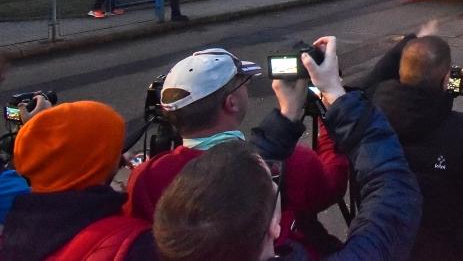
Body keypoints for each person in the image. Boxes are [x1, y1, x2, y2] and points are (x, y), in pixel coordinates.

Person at [152, 36, 422, 261]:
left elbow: (240, 175)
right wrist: (335, 96)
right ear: (274, 227)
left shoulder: (150, 178)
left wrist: (288, 115)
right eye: (272, 186)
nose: (272, 176)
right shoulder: (298, 162)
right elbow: (393, 190)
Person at [125, 47, 350, 257]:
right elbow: (332, 186)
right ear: (231, 103)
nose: (246, 87)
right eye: (242, 82)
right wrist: (328, 118)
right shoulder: (290, 161)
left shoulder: (146, 176)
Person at [359, 33, 463, 260]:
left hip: (384, 244)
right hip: (446, 248)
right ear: (446, 78)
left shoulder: (367, 117)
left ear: (400, 73)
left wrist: (408, 47)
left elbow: (368, 83)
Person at [1, 101, 158, 260]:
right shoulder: (135, 245)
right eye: (115, 150)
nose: (122, 158)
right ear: (95, 163)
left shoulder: (12, 233)